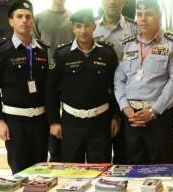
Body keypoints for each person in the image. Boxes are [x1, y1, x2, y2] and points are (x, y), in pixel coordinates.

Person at [114, 0, 173, 164]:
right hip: (132, 118)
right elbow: (119, 81)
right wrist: (125, 107)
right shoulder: (128, 45)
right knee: (134, 170)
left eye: (148, 14)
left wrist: (153, 111)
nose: (143, 19)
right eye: (139, 14)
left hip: (159, 119)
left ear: (159, 16)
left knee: (160, 170)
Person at [46, 9, 120, 163]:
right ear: (72, 28)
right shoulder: (62, 54)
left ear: (94, 26)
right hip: (71, 124)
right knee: (72, 171)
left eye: (87, 26)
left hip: (100, 123)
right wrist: (54, 121)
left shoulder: (107, 53)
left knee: (101, 171)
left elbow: (116, 87)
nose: (83, 30)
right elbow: (51, 90)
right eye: (78, 26)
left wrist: (115, 116)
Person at [0, 0, 49, 174]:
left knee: (40, 173)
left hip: (40, 122)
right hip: (15, 123)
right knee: (20, 173)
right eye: (19, 16)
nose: (24, 20)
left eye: (28, 17)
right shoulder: (1, 50)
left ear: (33, 21)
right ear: (11, 21)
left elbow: (47, 88)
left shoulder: (42, 50)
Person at [94, 0, 138, 164]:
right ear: (102, 0)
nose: (112, 1)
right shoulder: (92, 27)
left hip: (126, 95)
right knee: (100, 154)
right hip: (99, 95)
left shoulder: (134, 28)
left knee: (124, 153)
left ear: (123, 1)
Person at [33, 0, 74, 162]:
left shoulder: (74, 19)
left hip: (69, 76)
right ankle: (54, 155)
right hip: (47, 77)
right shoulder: (39, 18)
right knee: (51, 118)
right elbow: (34, 47)